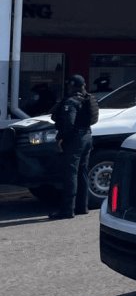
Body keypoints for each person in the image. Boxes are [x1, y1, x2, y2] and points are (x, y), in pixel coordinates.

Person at [48, 75, 95, 220]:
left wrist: (61, 138)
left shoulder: (71, 101)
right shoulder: (87, 99)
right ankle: (82, 207)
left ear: (72, 86)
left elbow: (69, 123)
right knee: (82, 172)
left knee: (71, 173)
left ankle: (67, 210)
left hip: (75, 139)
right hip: (87, 136)